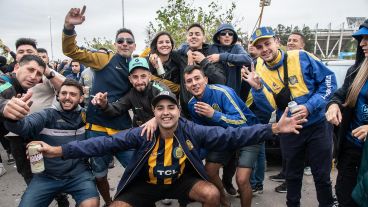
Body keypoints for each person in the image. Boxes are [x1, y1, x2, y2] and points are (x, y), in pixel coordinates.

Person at [30, 89, 305, 207]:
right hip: (146, 184)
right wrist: (57, 151)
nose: (165, 113)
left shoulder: (191, 129)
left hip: (179, 182)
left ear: (178, 110)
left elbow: (231, 136)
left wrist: (273, 128)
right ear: (154, 113)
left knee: (211, 193)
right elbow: (103, 142)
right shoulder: (143, 132)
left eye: (170, 107)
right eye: (159, 108)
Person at [244, 26, 337, 207]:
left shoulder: (301, 56)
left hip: (318, 126)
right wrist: (257, 89)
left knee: (322, 176)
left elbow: (329, 82)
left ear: (277, 42)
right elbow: (269, 107)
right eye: (260, 46)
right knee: (292, 177)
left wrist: (309, 107)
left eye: (268, 43)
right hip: (290, 129)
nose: (265, 49)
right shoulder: (259, 69)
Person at [62, 6, 136, 205]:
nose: (125, 43)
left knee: (137, 169)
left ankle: (128, 200)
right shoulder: (104, 58)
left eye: (129, 41)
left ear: (134, 45)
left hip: (122, 129)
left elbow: (153, 81)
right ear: (115, 44)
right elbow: (71, 50)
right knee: (100, 174)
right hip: (96, 129)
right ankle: (109, 201)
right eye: (120, 40)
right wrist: (69, 26)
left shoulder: (137, 65)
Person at [4, 79, 99, 207]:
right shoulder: (47, 115)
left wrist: (103, 105)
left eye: (73, 94)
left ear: (81, 98)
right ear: (58, 96)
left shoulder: (86, 115)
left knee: (91, 204)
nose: (67, 97)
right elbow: (25, 126)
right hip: (47, 177)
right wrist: (13, 118)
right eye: (63, 93)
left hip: (79, 175)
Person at [184, 65, 260, 207]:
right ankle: (224, 202)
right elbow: (204, 134)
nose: (194, 83)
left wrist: (214, 114)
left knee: (242, 179)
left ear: (205, 79)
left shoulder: (223, 92)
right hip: (225, 138)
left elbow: (241, 121)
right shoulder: (192, 104)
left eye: (197, 78)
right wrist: (195, 157)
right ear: (186, 86)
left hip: (248, 133)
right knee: (210, 170)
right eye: (189, 81)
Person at [326, 19, 368, 207]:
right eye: (361, 39)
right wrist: (334, 104)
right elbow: (340, 93)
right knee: (345, 197)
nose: (362, 44)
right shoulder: (357, 70)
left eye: (367, 38)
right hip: (351, 149)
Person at [270, 31, 309, 194]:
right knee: (285, 148)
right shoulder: (282, 62)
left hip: (301, 115)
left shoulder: (306, 60)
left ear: (303, 45)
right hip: (283, 113)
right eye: (290, 40)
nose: (291, 43)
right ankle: (285, 173)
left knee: (295, 152)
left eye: (295, 40)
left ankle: (290, 182)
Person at [92, 57, 169, 127]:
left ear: (149, 77)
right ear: (130, 79)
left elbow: (172, 106)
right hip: (143, 136)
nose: (139, 81)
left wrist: (155, 120)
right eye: (135, 77)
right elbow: (115, 109)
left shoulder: (158, 89)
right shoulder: (131, 94)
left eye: (143, 76)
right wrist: (104, 105)